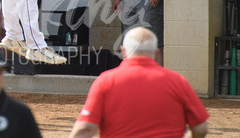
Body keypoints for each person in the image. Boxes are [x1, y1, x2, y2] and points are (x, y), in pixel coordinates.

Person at [69, 27, 209, 138]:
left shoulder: (106, 81)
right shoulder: (177, 81)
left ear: (123, 52)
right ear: (155, 53)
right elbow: (201, 128)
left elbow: (85, 129)